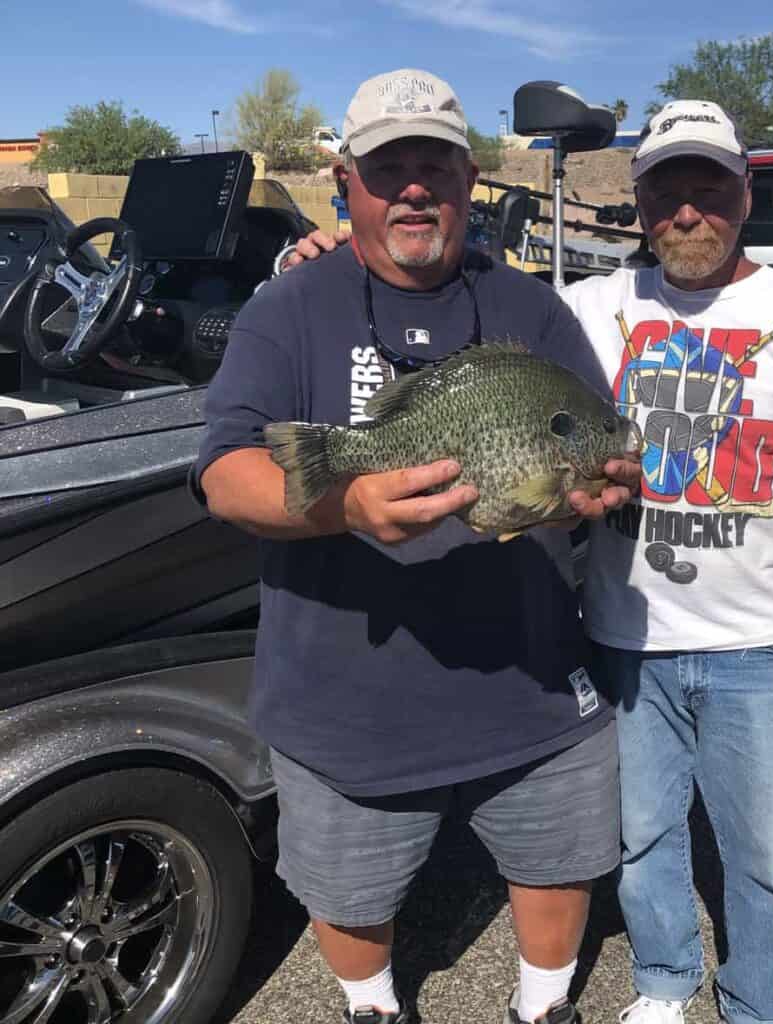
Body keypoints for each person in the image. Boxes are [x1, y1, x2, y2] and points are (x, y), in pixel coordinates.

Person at [287, 98, 773, 1024]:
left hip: (760, 652)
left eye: (710, 187)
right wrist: (324, 257)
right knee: (646, 838)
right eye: (667, 191)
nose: (689, 211)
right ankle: (663, 982)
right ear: (640, 201)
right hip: (617, 641)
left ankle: (760, 1004)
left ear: (746, 193)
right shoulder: (587, 305)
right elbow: (466, 287)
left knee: (765, 857)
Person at [191, 68, 639, 1024]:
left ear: (469, 179)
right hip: (343, 700)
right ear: (346, 182)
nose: (413, 188)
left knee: (559, 859)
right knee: (349, 892)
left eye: (434, 165)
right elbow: (226, 471)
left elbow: (585, 455)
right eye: (388, 167)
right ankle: (372, 1009)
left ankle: (545, 1006)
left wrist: (584, 498)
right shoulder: (290, 307)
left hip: (531, 687)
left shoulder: (532, 311)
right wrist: (344, 505)